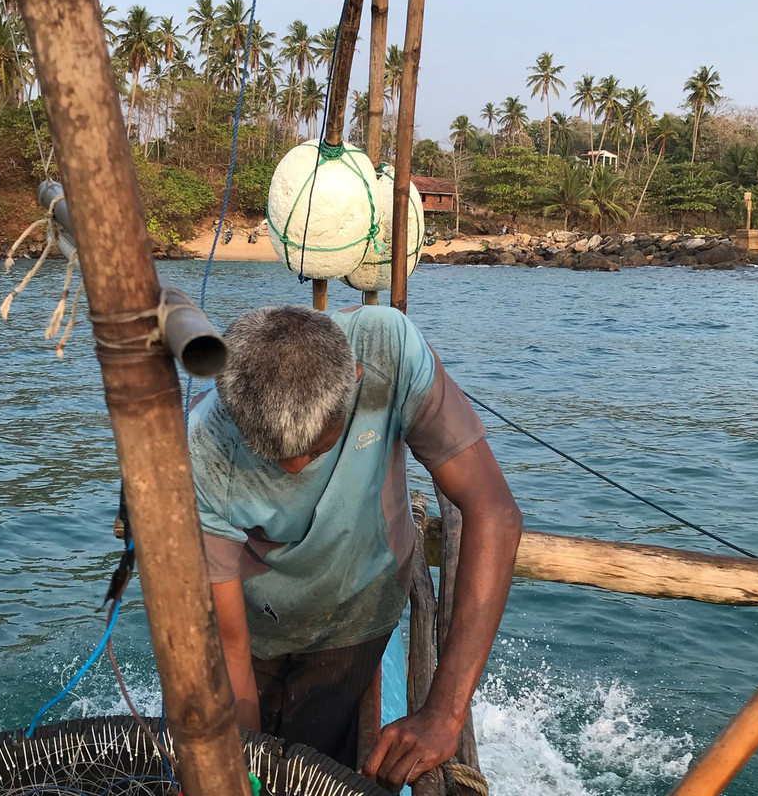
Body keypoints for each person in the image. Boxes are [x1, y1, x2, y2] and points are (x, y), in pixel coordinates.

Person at [187, 304, 522, 789]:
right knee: (245, 763)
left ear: (355, 380)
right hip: (254, 615)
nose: (297, 467)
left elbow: (494, 512)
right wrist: (247, 768)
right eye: (275, 458)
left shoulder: (388, 350)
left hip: (359, 602)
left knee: (322, 763)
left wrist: (444, 714)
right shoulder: (202, 448)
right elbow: (227, 641)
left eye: (316, 449)